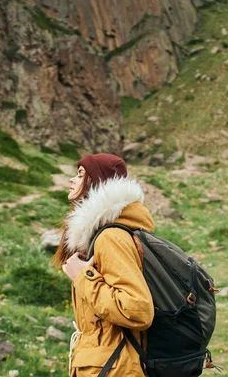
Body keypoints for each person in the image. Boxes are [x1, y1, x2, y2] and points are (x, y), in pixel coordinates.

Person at [53, 153, 154, 377]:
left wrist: (83, 276)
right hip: (106, 364)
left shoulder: (111, 238)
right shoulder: (105, 236)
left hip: (114, 368)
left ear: (96, 181)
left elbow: (138, 310)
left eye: (80, 175)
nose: (72, 180)